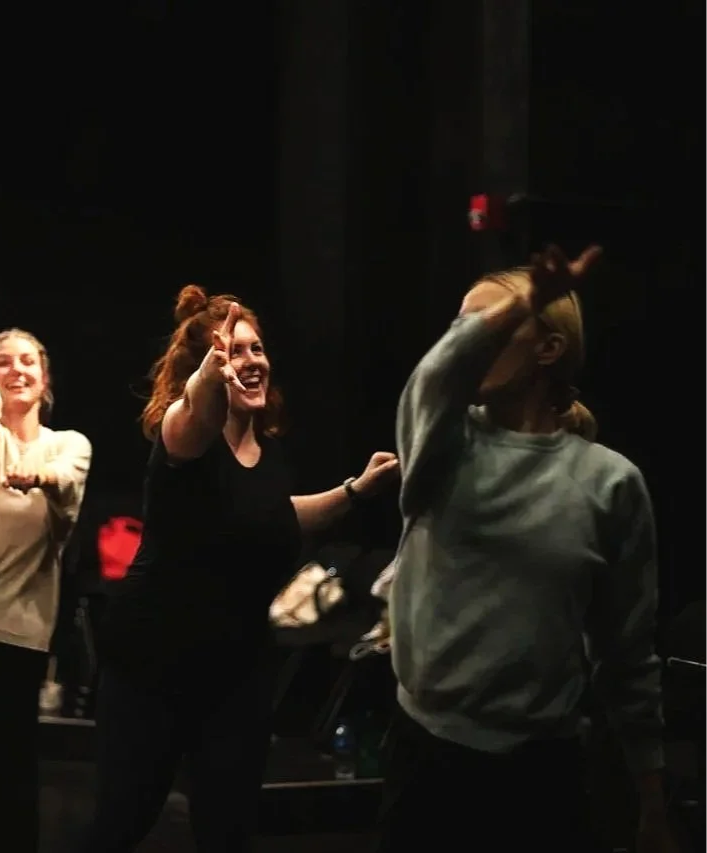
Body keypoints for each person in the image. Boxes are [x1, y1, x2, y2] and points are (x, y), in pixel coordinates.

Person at [378, 246, 673, 852]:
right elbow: (434, 377)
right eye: (463, 329)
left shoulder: (610, 483)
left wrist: (652, 802)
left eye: (495, 327)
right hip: (429, 758)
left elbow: (627, 653)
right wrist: (522, 303)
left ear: (548, 349)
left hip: (543, 772)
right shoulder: (443, 446)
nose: (470, 342)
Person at [85, 284, 400, 852]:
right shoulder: (184, 440)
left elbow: (277, 516)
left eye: (256, 349)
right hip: (152, 665)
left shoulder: (269, 452)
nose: (251, 362)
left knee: (228, 831)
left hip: (237, 671)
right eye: (235, 352)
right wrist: (210, 371)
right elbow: (193, 411)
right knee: (123, 821)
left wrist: (355, 491)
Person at [0, 262, 92, 853]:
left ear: (45, 377)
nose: (16, 370)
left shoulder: (69, 444)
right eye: (4, 361)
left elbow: (66, 480)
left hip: (22, 625)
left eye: (27, 361)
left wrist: (37, 475)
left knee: (13, 761)